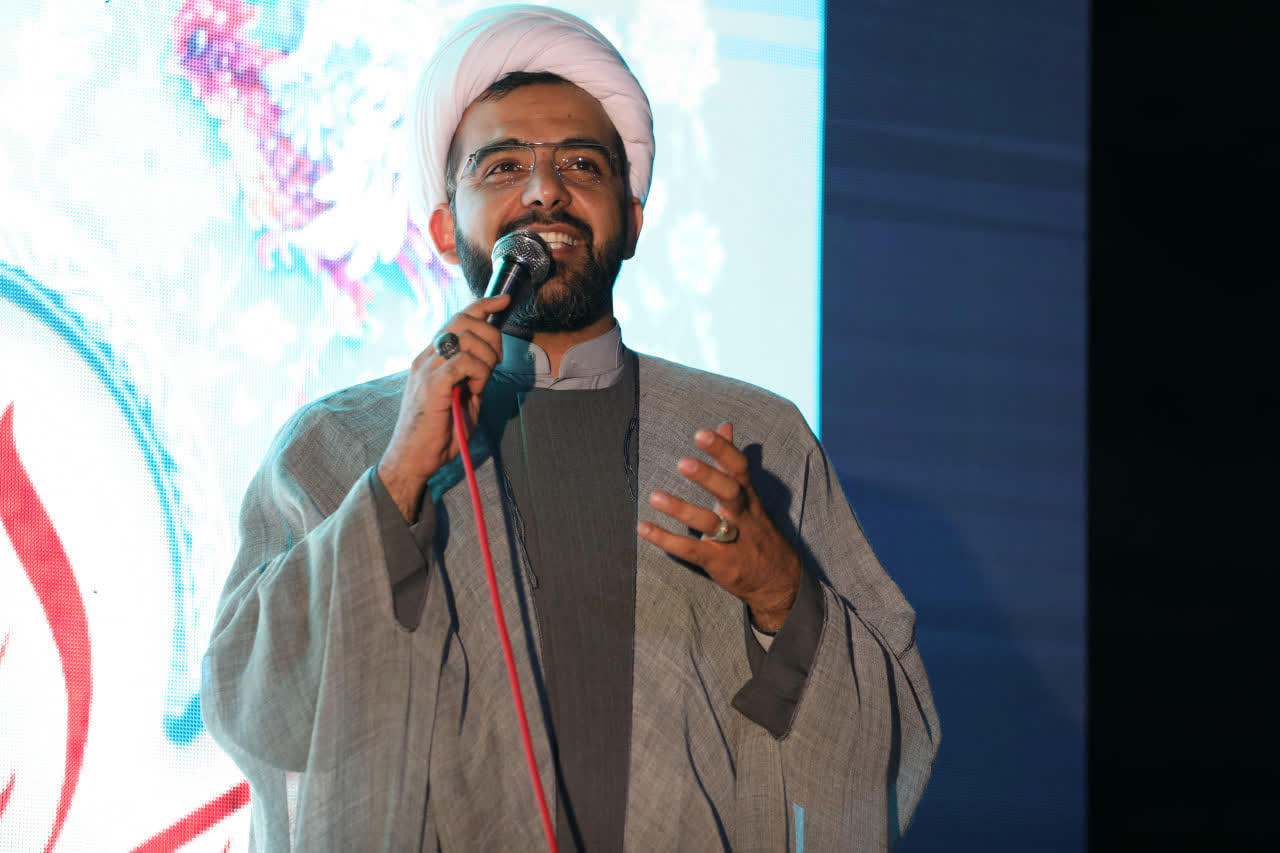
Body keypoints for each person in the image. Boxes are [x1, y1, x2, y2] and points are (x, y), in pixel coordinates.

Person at [201, 6, 939, 851]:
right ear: (443, 226)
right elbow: (253, 702)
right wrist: (399, 476)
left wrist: (781, 594)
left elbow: (885, 749)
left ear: (633, 218)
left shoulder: (756, 440)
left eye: (582, 164)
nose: (545, 191)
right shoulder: (340, 443)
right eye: (503, 166)